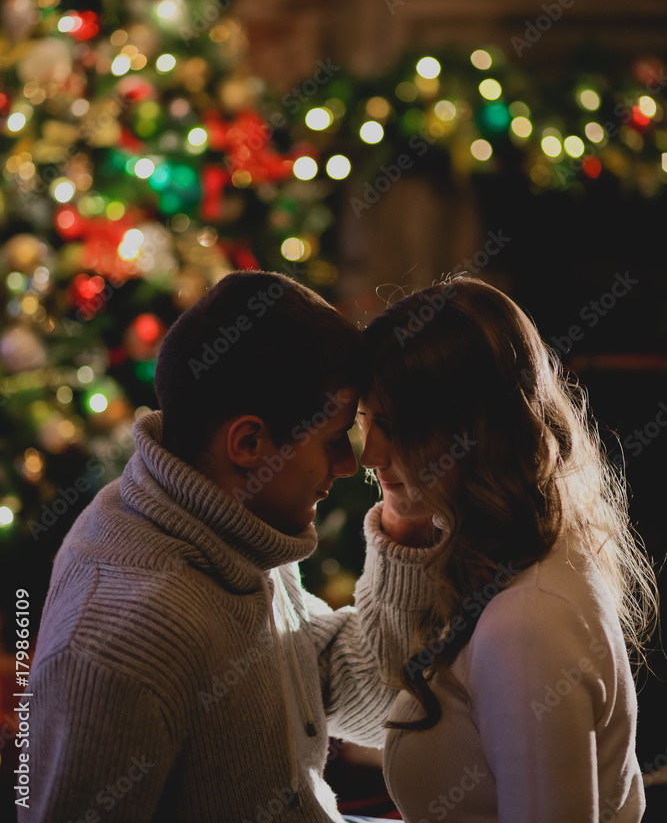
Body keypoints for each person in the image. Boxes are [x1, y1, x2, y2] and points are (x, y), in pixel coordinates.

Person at [19, 269, 438, 822]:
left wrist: (406, 522)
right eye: (335, 439)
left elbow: (364, 694)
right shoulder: (121, 643)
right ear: (247, 442)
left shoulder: (234, 524)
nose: (349, 464)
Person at [357, 275, 658, 823]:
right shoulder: (522, 552)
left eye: (392, 424)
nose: (369, 452)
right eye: (364, 422)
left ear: (468, 426)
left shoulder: (527, 620)